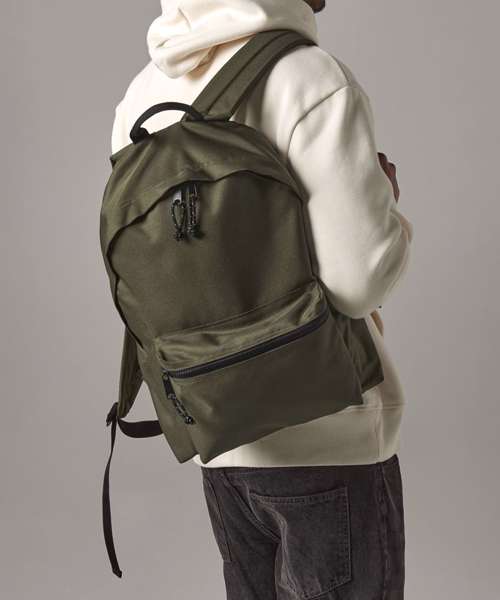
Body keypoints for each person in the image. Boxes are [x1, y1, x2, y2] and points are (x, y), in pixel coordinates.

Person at [111, 0, 413, 597]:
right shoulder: (310, 77)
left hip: (217, 435)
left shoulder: (140, 96)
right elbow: (359, 282)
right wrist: (391, 213)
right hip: (331, 436)